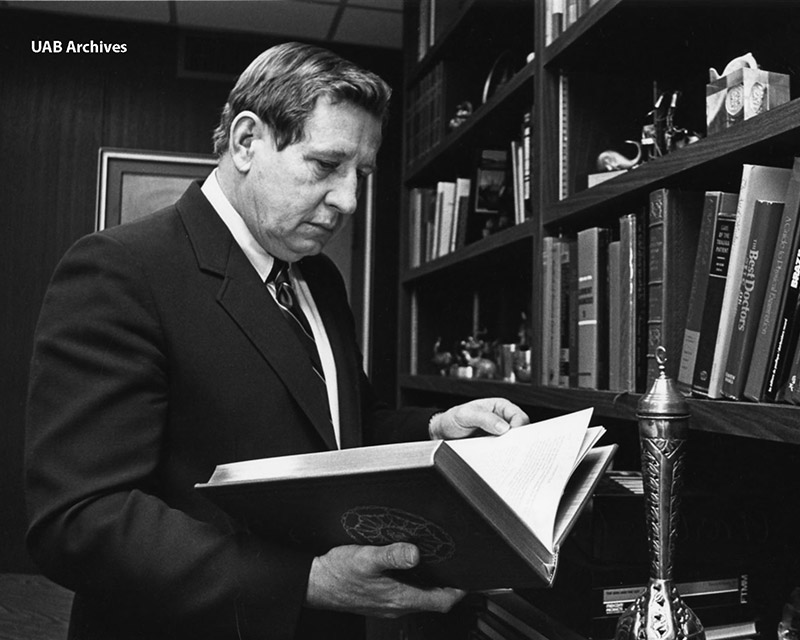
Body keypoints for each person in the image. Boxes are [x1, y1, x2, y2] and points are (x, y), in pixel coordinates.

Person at [25, 42, 529, 640]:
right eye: (325, 166)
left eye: (359, 175)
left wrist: (436, 428)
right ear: (245, 142)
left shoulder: (316, 276)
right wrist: (304, 581)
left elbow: (341, 426)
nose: (348, 200)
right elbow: (78, 520)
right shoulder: (121, 270)